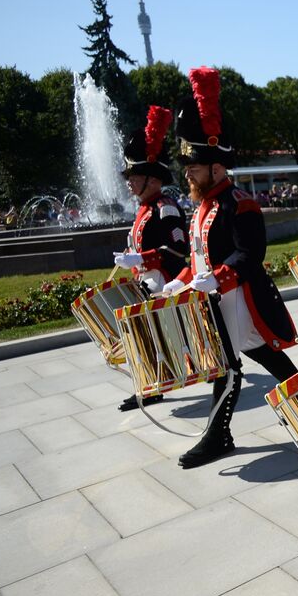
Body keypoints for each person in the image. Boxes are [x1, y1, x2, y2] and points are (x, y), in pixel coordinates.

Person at [161, 67, 298, 469]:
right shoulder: (203, 206)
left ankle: (219, 435)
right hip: (218, 298)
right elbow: (197, 258)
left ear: (216, 168)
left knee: (231, 364)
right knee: (258, 362)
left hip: (240, 298)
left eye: (194, 167)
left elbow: (248, 254)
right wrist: (182, 281)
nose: (188, 172)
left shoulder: (240, 203)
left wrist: (215, 278)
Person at [112, 104, 189, 412]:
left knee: (157, 337)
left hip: (164, 283)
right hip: (146, 281)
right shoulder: (144, 209)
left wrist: (141, 257)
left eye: (136, 176)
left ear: (153, 180)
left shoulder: (165, 207)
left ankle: (153, 385)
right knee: (143, 336)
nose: (129, 182)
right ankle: (149, 385)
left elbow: (178, 249)